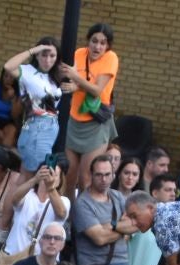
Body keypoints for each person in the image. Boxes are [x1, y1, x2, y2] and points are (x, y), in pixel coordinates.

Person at [69, 154, 130, 265]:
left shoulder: (118, 197)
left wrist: (108, 226)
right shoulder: (82, 203)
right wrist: (121, 228)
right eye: (99, 175)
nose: (104, 179)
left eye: (107, 174)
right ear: (91, 175)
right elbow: (99, 238)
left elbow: (133, 226)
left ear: (113, 175)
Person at [62, 23, 119, 187]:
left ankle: (84, 212)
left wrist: (76, 81)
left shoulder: (111, 58)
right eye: (94, 41)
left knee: (86, 176)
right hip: (74, 119)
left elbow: (97, 90)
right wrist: (73, 83)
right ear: (88, 41)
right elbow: (66, 77)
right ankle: (68, 212)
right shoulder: (79, 53)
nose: (98, 46)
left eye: (103, 43)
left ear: (108, 46)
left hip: (96, 122)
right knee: (70, 174)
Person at [4, 40, 62, 173]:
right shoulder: (27, 71)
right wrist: (33, 50)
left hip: (50, 129)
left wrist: (74, 85)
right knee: (36, 176)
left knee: (31, 177)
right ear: (37, 55)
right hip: (36, 127)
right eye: (43, 55)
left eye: (52, 56)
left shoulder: (54, 76)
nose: (48, 60)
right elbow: (8, 66)